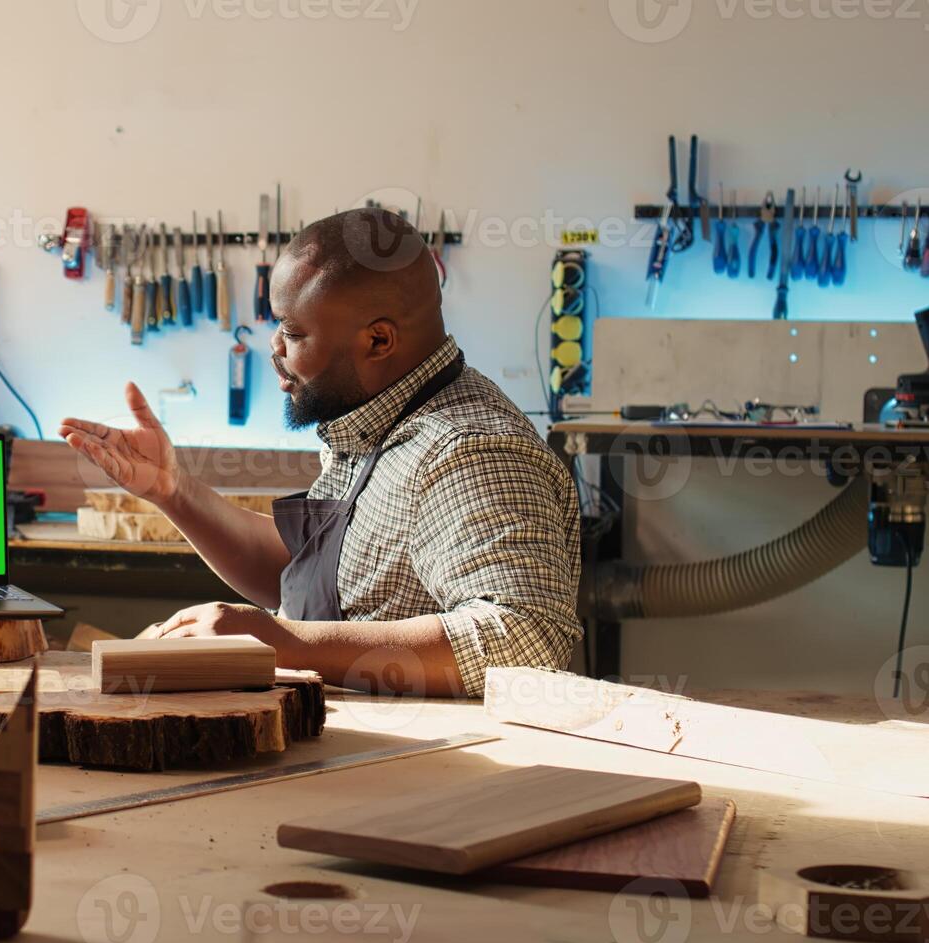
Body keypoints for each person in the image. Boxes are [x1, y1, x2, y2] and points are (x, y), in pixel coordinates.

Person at [59, 209, 580, 698]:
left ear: (378, 340)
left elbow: (524, 637)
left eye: (292, 331)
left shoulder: (469, 451)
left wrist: (282, 641)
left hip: (419, 773)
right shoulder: (372, 420)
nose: (273, 347)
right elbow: (304, 571)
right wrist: (173, 491)